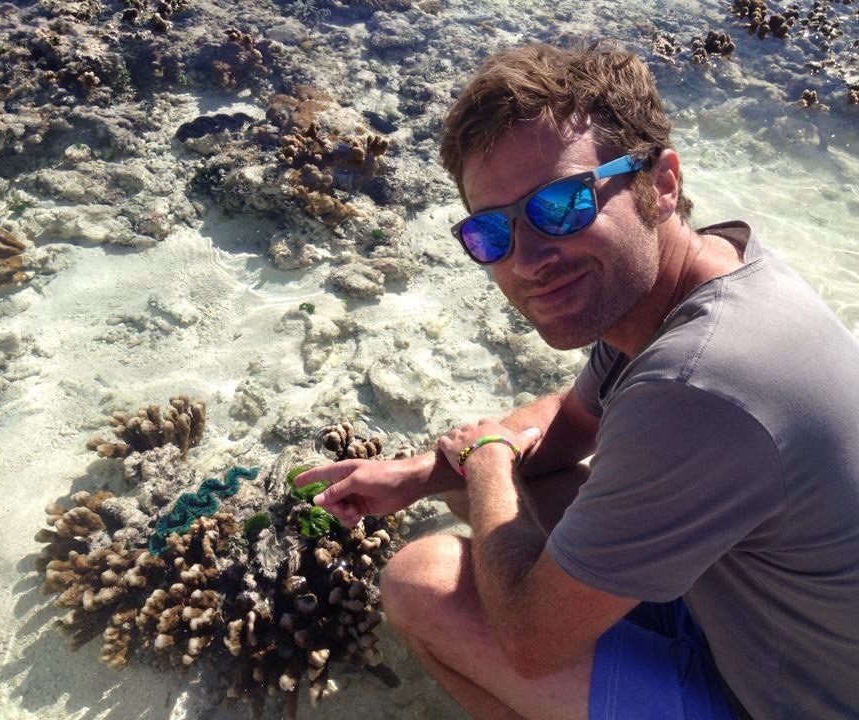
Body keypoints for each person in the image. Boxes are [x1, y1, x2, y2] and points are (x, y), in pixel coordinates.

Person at [296, 40, 859, 720]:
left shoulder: (697, 384)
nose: (528, 260)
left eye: (560, 204)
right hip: (753, 616)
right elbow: (573, 422)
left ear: (663, 182)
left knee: (422, 580)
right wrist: (417, 475)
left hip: (786, 699)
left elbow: (531, 643)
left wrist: (487, 461)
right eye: (491, 234)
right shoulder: (701, 277)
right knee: (496, 493)